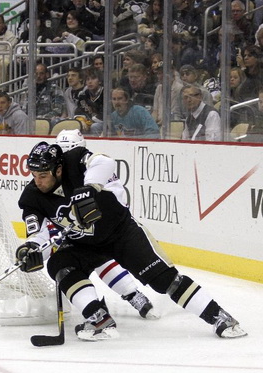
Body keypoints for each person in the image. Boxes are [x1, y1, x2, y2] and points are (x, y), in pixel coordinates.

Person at [15, 140, 247, 341]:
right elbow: (39, 235)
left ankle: (220, 318)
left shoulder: (75, 160)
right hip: (83, 246)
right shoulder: (31, 198)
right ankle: (99, 320)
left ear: (58, 170)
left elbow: (105, 162)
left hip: (121, 233)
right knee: (59, 265)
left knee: (165, 280)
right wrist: (32, 249)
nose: (38, 181)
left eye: (42, 175)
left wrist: (88, 188)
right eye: (34, 175)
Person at [52, 129, 157, 319]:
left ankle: (132, 294)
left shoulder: (93, 170)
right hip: (87, 226)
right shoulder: (67, 173)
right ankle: (131, 295)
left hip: (106, 225)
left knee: (100, 257)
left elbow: (113, 202)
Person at [26, 63, 66, 127]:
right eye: (36, 74)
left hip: (48, 123)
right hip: (31, 124)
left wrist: (40, 119)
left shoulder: (54, 89)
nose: (38, 76)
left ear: (47, 75)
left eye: (41, 73)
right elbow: (24, 108)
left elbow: (58, 110)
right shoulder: (30, 90)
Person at [74, 68, 104, 136]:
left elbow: (107, 115)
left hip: (104, 124)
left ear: (99, 81)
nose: (90, 82)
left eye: (93, 79)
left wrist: (91, 121)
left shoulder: (105, 93)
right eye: (88, 79)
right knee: (77, 124)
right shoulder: (83, 95)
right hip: (89, 122)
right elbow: (78, 111)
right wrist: (81, 120)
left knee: (95, 126)